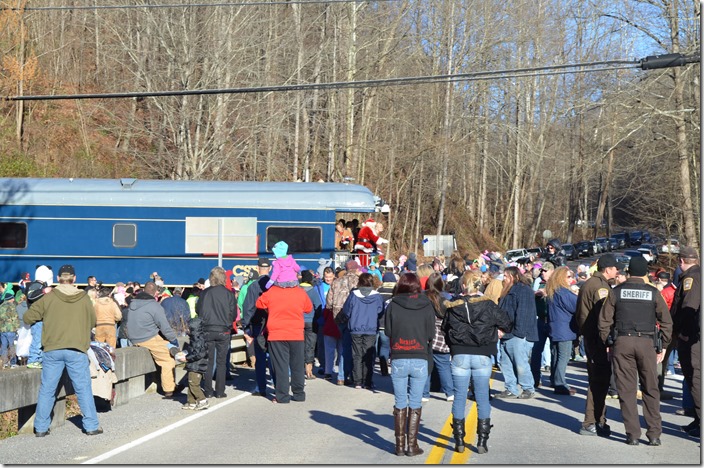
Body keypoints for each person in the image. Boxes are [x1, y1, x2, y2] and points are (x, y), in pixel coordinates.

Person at [598, 256, 672, 445]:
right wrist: (663, 345)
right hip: (647, 343)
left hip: (622, 342)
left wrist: (608, 342)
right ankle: (654, 434)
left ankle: (632, 434)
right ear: (646, 273)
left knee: (626, 390)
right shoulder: (654, 293)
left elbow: (604, 321)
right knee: (650, 389)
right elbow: (666, 322)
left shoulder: (616, 292)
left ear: (628, 272)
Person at [23, 264, 103, 437]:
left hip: (52, 349)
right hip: (76, 349)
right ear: (74, 279)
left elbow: (28, 317)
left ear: (58, 279)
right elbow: (92, 322)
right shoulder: (83, 298)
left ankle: (41, 428)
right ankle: (91, 426)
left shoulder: (49, 298)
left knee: (47, 389)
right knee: (83, 388)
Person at [442, 270, 512, 453]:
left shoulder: (453, 306)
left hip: (460, 355)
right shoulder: (488, 305)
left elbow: (444, 329)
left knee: (459, 397)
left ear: (463, 286)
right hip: (482, 354)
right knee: (482, 398)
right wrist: (499, 331)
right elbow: (507, 322)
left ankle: (459, 441)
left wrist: (454, 346)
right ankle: (482, 441)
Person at [385, 272, 435, 457]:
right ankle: (412, 445)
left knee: (399, 401)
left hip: (398, 355)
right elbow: (431, 333)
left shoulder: (393, 305)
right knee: (415, 401)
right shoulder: (426, 304)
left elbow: (388, 331)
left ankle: (399, 445)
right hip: (419, 355)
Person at [575, 253, 619, 437]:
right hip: (597, 341)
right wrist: (607, 341)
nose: (617, 271)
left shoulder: (592, 284)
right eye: (615, 268)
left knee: (598, 382)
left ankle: (598, 421)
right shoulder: (601, 288)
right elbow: (604, 318)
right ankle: (591, 422)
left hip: (591, 339)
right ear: (608, 269)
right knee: (598, 383)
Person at [255, 276, 313, 403]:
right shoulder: (300, 292)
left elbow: (259, 303)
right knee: (297, 364)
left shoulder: (272, 292)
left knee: (280, 365)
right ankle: (299, 394)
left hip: (277, 333)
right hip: (296, 332)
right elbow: (308, 308)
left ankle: (282, 395)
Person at [126, 281, 179, 397]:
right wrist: (173, 340)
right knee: (168, 359)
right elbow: (164, 327)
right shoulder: (154, 306)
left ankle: (169, 384)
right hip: (148, 337)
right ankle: (169, 390)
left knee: (165, 345)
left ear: (144, 290)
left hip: (134, 338)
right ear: (155, 292)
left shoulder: (133, 303)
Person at [670, 246, 701, 438]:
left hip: (692, 339)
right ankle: (698, 419)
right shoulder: (694, 275)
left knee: (696, 380)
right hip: (692, 337)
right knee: (692, 379)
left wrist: (684, 333)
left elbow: (689, 308)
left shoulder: (692, 278)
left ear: (682, 261)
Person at [495, 266, 539, 399]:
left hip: (518, 334)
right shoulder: (508, 290)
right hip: (506, 332)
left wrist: (518, 334)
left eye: (506, 276)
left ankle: (528, 388)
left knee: (521, 363)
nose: (504, 278)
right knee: (505, 362)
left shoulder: (523, 290)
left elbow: (523, 314)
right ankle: (510, 388)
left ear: (514, 277)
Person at [197, 266, 237, 399]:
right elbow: (233, 315)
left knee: (209, 361)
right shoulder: (229, 294)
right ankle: (220, 391)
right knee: (221, 362)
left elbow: (199, 311)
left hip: (207, 329)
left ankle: (208, 390)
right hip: (223, 330)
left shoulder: (204, 293)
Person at [341, 272, 384, 389]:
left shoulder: (353, 295)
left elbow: (346, 311)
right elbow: (380, 311)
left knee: (357, 355)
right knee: (368, 355)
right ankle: (368, 381)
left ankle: (358, 381)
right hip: (370, 328)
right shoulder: (377, 296)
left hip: (356, 328)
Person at [242, 257, 275, 397]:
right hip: (273, 325)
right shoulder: (275, 285)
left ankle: (261, 388)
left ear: (257, 268)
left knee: (260, 358)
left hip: (258, 326)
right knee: (274, 356)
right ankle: (277, 384)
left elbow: (248, 308)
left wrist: (246, 327)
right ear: (270, 268)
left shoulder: (253, 286)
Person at [326, 259, 362, 385]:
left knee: (343, 346)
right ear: (356, 269)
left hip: (339, 318)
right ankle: (350, 374)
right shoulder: (359, 281)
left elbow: (329, 303)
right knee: (352, 347)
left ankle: (341, 376)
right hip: (355, 317)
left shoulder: (336, 282)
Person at [545, 266, 579, 395]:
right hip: (564, 328)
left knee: (556, 355)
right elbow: (576, 307)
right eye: (568, 276)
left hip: (555, 327)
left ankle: (555, 379)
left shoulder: (553, 291)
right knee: (563, 357)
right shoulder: (564, 292)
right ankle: (560, 384)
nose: (571, 279)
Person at [423, 272, 454, 402]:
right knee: (444, 365)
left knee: (425, 365)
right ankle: (450, 393)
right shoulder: (446, 300)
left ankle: (424, 394)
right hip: (441, 335)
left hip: (425, 334)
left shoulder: (423, 298)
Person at [177, 316, 210, 411]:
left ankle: (202, 400)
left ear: (193, 327)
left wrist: (186, 358)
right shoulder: (197, 336)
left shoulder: (197, 339)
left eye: (188, 327)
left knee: (193, 384)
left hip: (197, 365)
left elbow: (198, 354)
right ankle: (191, 402)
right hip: (195, 364)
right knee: (190, 382)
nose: (187, 329)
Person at [299, 270, 321, 380]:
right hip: (311, 321)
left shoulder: (297, 290)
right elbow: (318, 306)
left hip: (298, 321)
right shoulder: (313, 291)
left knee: (299, 346)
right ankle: (309, 371)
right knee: (310, 346)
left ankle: (299, 369)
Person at [0, 295, 20, 368]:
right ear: (10, 299)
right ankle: (13, 363)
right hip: (11, 329)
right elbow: (15, 317)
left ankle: (4, 363)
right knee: (12, 345)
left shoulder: (1, 306)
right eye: (13, 298)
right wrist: (17, 327)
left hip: (2, 329)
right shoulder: (12, 306)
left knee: (4, 346)